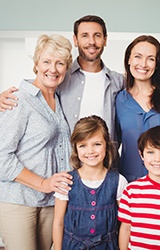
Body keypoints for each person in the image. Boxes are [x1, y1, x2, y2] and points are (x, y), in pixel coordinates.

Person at [0, 15, 125, 142]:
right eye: (85, 35)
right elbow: (36, 91)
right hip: (67, 160)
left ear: (105, 40)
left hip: (106, 160)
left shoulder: (119, 81)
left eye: (97, 35)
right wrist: (5, 97)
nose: (91, 41)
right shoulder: (61, 76)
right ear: (75, 40)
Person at [0, 34, 73, 250]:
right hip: (18, 200)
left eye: (60, 63)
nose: (53, 69)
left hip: (50, 202)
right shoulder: (19, 100)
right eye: (47, 62)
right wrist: (43, 183)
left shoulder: (59, 99)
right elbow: (1, 157)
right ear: (36, 65)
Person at [53, 115, 128, 250]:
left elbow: (126, 223)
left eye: (97, 144)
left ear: (107, 145)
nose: (90, 151)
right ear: (76, 149)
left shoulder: (118, 181)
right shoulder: (66, 181)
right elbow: (58, 223)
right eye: (83, 145)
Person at [115, 35, 160, 182]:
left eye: (150, 59)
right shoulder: (118, 100)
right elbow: (114, 143)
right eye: (138, 56)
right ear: (129, 59)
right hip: (129, 185)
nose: (143, 64)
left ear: (157, 64)